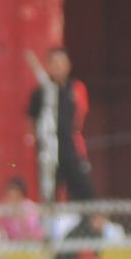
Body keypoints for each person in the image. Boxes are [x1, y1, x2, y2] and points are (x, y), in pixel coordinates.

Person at [26, 47, 95, 201]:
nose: (57, 66)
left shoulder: (76, 89)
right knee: (49, 192)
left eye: (61, 62)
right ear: (48, 66)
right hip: (48, 149)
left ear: (69, 65)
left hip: (71, 147)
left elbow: (80, 115)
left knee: (83, 189)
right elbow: (31, 119)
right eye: (54, 63)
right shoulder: (39, 93)